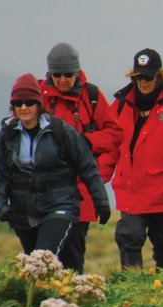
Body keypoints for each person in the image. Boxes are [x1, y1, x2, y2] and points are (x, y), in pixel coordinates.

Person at [0, 73, 110, 260]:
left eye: (29, 102)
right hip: (22, 212)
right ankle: (61, 287)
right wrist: (0, 207)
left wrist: (100, 202)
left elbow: (87, 167)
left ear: (38, 104)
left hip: (60, 205)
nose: (24, 107)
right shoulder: (6, 136)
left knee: (41, 258)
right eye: (18, 103)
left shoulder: (60, 130)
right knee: (36, 262)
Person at [101, 48, 163, 270]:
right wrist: (99, 178)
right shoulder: (119, 105)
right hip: (130, 188)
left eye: (148, 77)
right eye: (138, 77)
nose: (143, 82)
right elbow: (109, 146)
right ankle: (131, 286)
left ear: (159, 76)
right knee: (129, 236)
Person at [40, 42, 123, 273]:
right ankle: (43, 302)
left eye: (68, 74)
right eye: (57, 74)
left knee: (73, 258)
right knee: (41, 258)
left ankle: (71, 304)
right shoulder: (37, 97)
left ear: (77, 72)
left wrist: (85, 142)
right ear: (49, 73)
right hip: (42, 192)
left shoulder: (92, 96)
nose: (63, 79)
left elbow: (116, 134)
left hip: (79, 192)